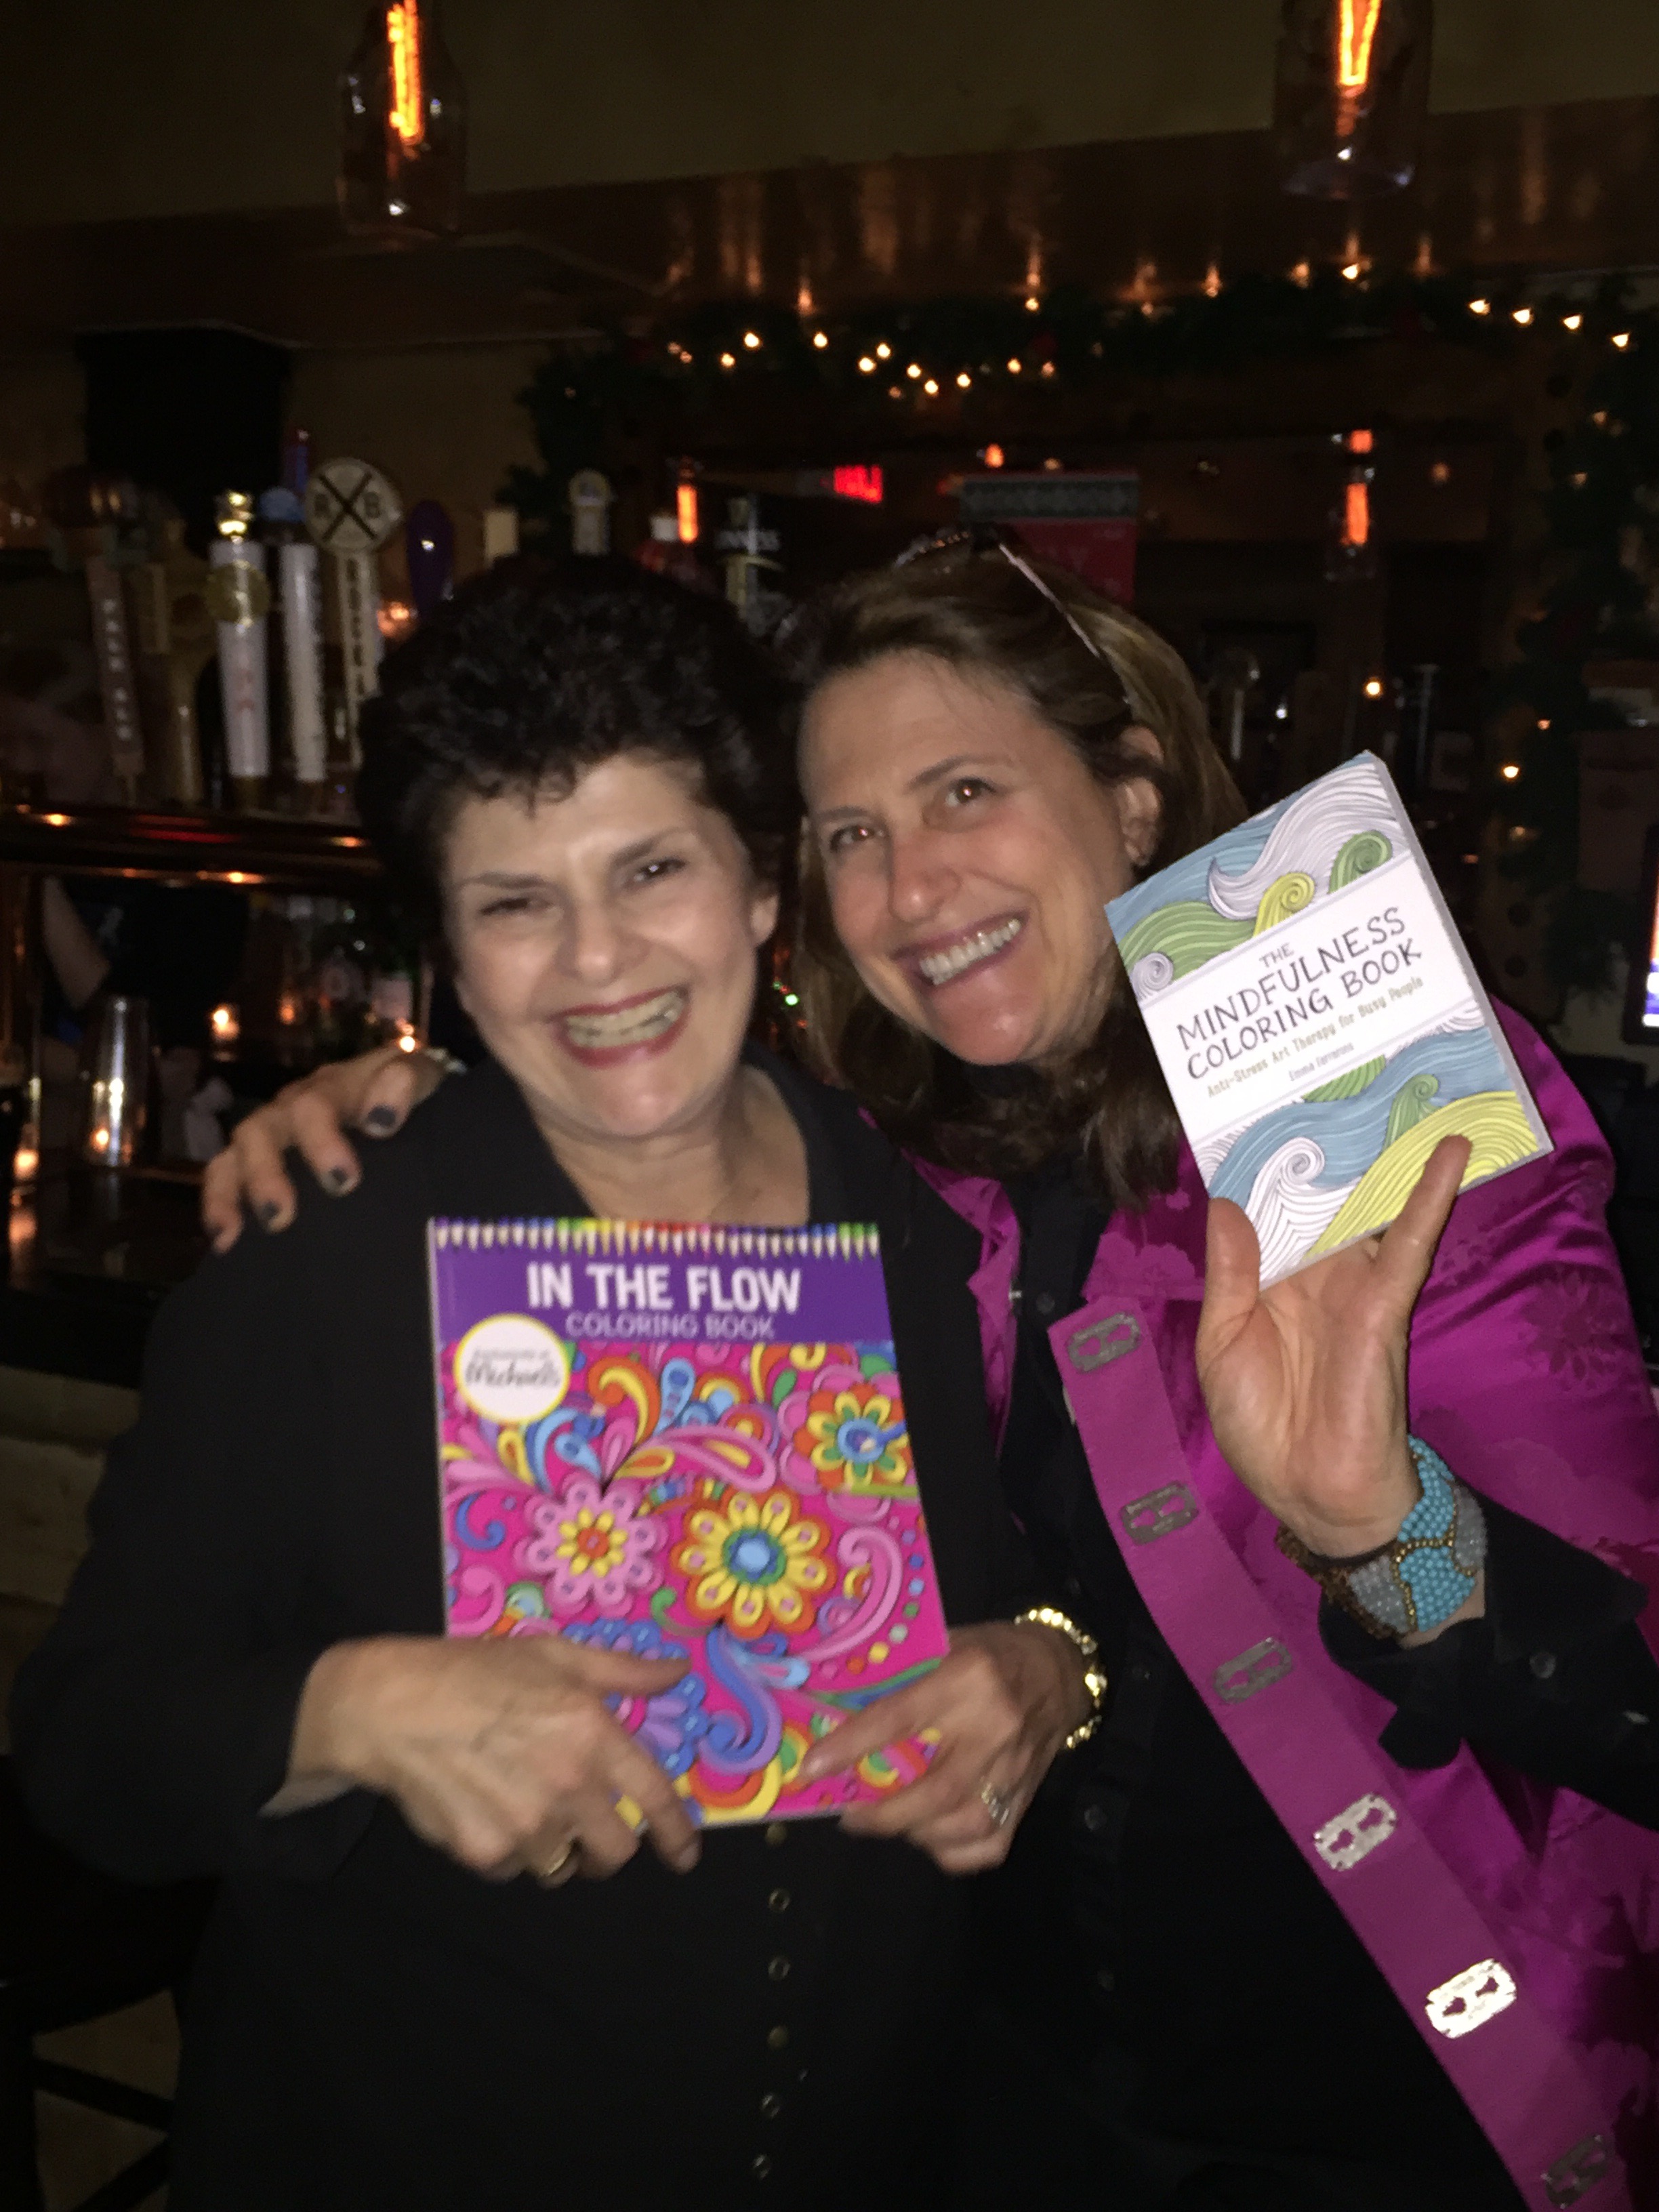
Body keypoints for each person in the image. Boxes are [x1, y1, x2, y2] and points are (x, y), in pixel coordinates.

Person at [195, 546, 1659, 2210]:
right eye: (849, 835)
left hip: (1387, 2101)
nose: (910, 888)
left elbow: (1632, 1705)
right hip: (998, 2095)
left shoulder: (1378, 1102)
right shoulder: (872, 1171)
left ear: (1131, 794)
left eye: (965, 790)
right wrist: (411, 1100)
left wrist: (1386, 1530)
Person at [10, 560, 1097, 2211]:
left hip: (868, 2146)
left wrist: (1046, 1667)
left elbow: (1039, 1582)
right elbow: (88, 1744)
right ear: (451, 951)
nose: (598, 960)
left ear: (759, 887)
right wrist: (352, 1709)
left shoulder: (916, 1219)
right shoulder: (333, 1250)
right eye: (515, 902)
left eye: (651, 868)